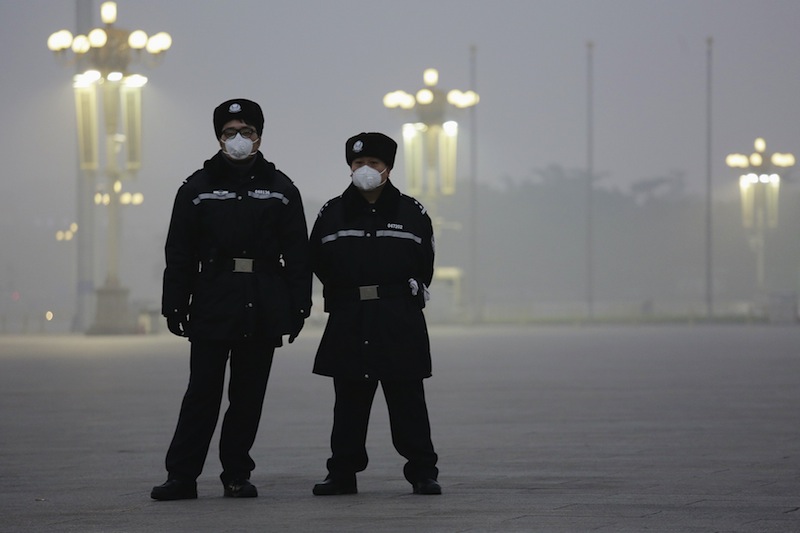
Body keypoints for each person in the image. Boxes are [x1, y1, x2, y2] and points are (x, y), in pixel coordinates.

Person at [150, 98, 311, 500]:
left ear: (259, 136)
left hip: (262, 302)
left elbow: (298, 254)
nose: (238, 139)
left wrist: (299, 305)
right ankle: (182, 476)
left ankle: (237, 473)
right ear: (218, 137)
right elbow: (179, 251)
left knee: (247, 396)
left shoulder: (281, 189)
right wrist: (174, 302)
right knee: (202, 392)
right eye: (229, 133)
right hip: (213, 300)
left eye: (246, 132)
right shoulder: (197, 187)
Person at [309, 132, 441, 496]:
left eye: (374, 164)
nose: (365, 170)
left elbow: (425, 263)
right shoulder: (331, 213)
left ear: (388, 168)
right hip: (350, 316)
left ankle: (422, 472)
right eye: (357, 164)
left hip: (398, 316)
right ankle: (342, 473)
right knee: (349, 401)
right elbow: (317, 260)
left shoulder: (412, 213)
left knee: (407, 400)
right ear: (349, 167)